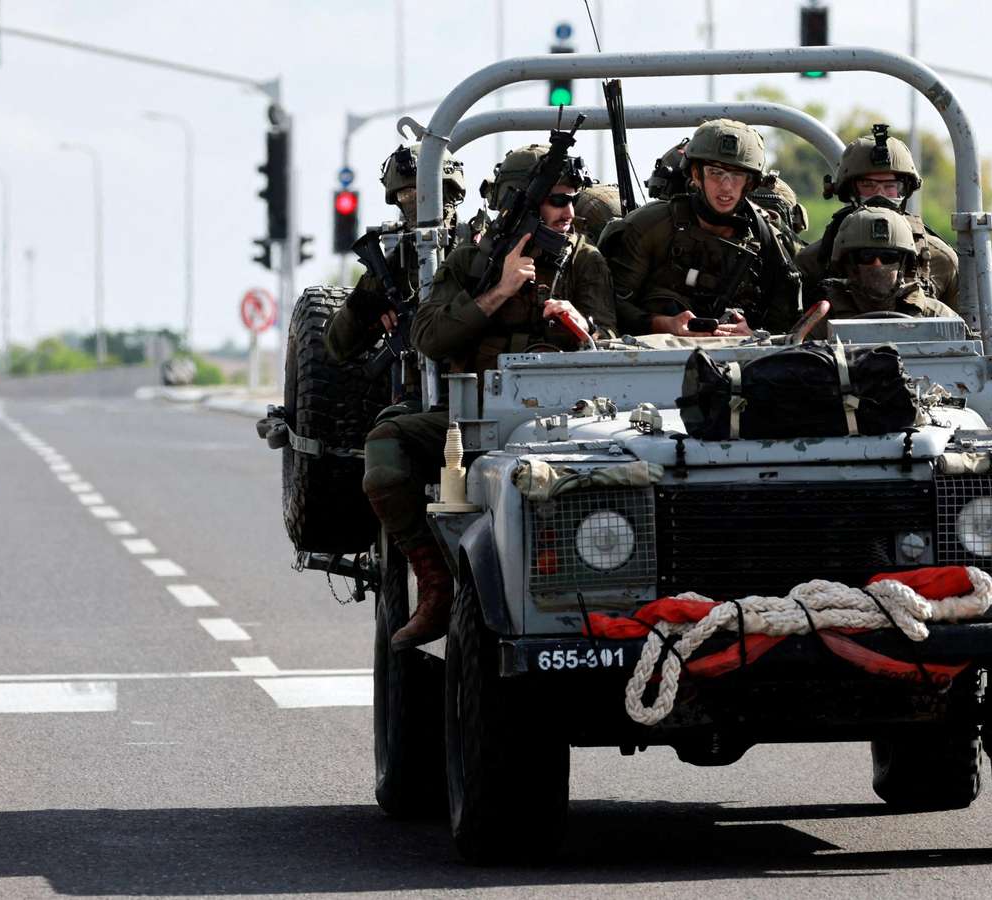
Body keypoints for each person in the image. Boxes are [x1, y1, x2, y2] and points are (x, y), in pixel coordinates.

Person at [363, 145, 615, 651]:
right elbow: (429, 339)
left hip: (570, 422)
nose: (568, 212)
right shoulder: (469, 262)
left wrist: (580, 326)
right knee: (386, 444)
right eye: (557, 201)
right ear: (522, 204)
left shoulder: (584, 261)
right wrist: (499, 290)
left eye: (572, 199)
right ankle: (435, 583)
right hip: (475, 421)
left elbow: (611, 346)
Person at [605, 119, 802, 338]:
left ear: (750, 183)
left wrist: (754, 334)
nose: (726, 186)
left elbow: (789, 325)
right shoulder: (650, 226)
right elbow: (608, 306)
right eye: (715, 173)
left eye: (736, 175)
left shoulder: (769, 242)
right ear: (697, 175)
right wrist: (663, 324)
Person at [323, 143, 466, 397]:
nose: (417, 201)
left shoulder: (482, 248)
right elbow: (337, 345)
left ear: (450, 190)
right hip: (416, 397)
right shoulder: (398, 263)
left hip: (478, 388)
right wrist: (366, 308)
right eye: (407, 195)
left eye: (424, 191)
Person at [797, 125, 959, 307]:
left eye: (890, 186)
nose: (880, 195)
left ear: (906, 190)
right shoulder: (814, 260)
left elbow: (965, 322)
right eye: (868, 185)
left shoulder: (941, 259)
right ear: (850, 190)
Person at [808, 205, 959, 339]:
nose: (877, 264)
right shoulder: (822, 321)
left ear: (904, 264)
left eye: (888, 256)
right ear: (848, 264)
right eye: (866, 256)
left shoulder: (937, 317)